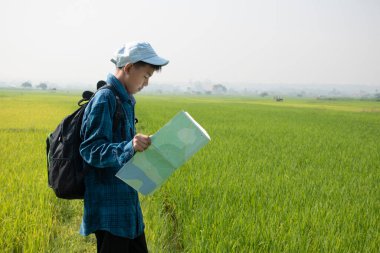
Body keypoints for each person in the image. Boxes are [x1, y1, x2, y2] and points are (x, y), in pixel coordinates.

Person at [79, 41, 169, 252]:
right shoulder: (105, 99)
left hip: (128, 208)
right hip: (109, 211)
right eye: (146, 76)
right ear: (128, 68)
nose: (146, 83)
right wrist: (130, 146)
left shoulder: (125, 99)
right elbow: (91, 150)